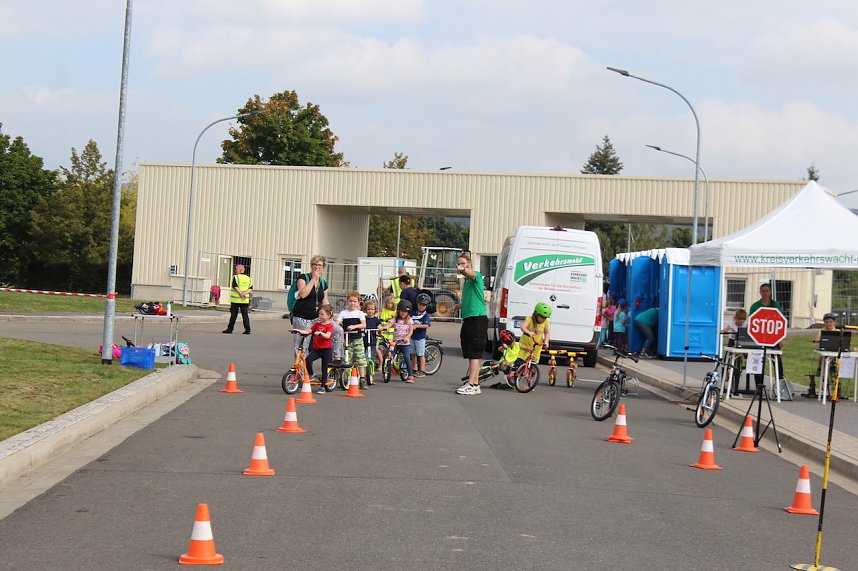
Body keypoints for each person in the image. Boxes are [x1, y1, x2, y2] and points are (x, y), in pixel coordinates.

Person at [456, 253, 488, 396]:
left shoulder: (476, 277)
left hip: (477, 319)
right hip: (469, 319)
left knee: (474, 354)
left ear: (469, 264)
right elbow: (469, 301)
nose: (460, 266)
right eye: (459, 263)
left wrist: (463, 269)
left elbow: (471, 273)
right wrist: (456, 307)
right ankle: (474, 383)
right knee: (470, 353)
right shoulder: (467, 282)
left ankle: (472, 384)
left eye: (463, 263)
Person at [291, 255, 331, 356]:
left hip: (316, 317)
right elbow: (303, 294)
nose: (317, 267)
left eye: (320, 265)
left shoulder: (323, 283)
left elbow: (324, 301)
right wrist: (313, 279)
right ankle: (300, 368)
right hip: (302, 317)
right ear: (311, 266)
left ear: (323, 267)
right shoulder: (303, 278)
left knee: (337, 330)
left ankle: (336, 358)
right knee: (302, 343)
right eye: (315, 264)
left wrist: (329, 315)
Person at [749, 282, 786, 387]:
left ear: (770, 292)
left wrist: (781, 339)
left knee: (777, 361)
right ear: (760, 292)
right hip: (759, 339)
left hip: (773, 338)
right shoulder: (755, 306)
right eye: (763, 291)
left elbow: (780, 322)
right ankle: (759, 387)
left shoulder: (775, 305)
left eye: (767, 291)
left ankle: (780, 385)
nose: (765, 293)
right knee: (759, 362)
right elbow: (752, 323)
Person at [294, 305, 335, 394]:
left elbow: (328, 336)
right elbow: (308, 331)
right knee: (307, 360)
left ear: (328, 315)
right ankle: (312, 374)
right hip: (317, 349)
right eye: (319, 314)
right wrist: (299, 331)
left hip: (326, 350)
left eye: (322, 314)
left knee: (324, 368)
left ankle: (323, 387)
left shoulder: (330, 326)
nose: (320, 316)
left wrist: (320, 333)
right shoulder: (317, 325)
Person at [337, 291, 367, 385]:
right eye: (350, 301)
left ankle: (362, 378)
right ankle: (346, 377)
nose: (352, 303)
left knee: (359, 358)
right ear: (347, 302)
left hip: (357, 339)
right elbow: (337, 323)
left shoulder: (359, 313)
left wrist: (354, 326)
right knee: (346, 359)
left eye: (354, 301)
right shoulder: (343, 313)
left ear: (358, 303)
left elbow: (363, 324)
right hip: (346, 340)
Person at [384, 299, 415, 382]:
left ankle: (411, 375)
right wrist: (384, 328)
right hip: (396, 342)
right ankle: (386, 371)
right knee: (390, 355)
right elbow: (389, 324)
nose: (403, 313)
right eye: (402, 311)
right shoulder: (395, 319)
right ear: (398, 311)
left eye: (405, 312)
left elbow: (411, 331)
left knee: (406, 357)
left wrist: (407, 337)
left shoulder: (409, 320)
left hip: (405, 343)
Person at [720, 308, 748, 396]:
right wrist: (723, 331)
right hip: (732, 341)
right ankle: (726, 374)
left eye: (743, 320)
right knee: (725, 361)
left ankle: (735, 386)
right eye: (739, 319)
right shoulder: (732, 324)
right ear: (735, 318)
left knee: (738, 365)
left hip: (741, 342)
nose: (741, 322)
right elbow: (726, 329)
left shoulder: (746, 325)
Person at [516, 302, 551, 367]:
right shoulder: (529, 319)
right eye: (542, 317)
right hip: (525, 345)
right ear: (536, 314)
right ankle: (512, 375)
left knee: (533, 366)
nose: (543, 319)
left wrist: (546, 342)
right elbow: (523, 327)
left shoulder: (545, 322)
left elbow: (546, 332)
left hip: (536, 347)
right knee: (518, 363)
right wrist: (528, 332)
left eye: (545, 317)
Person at [222, 264, 252, 334]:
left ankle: (230, 329)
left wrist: (240, 293)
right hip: (245, 300)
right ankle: (247, 330)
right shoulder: (249, 278)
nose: (235, 271)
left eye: (236, 269)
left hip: (235, 300)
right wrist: (244, 294)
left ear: (240, 270)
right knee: (245, 315)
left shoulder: (235, 277)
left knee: (233, 315)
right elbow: (250, 288)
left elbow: (235, 286)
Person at [410, 293, 432, 376]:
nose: (421, 306)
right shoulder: (413, 314)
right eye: (419, 304)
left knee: (420, 354)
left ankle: (422, 370)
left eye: (423, 305)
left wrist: (417, 326)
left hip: (420, 338)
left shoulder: (425, 315)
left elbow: (426, 325)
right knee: (413, 354)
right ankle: (414, 368)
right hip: (412, 337)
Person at [363, 299, 382, 385]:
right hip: (364, 341)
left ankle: (371, 376)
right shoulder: (363, 319)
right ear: (365, 310)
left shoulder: (376, 320)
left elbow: (379, 327)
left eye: (372, 309)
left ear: (375, 310)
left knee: (371, 358)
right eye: (368, 309)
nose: (370, 311)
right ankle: (363, 375)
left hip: (372, 342)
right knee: (364, 357)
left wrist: (380, 330)